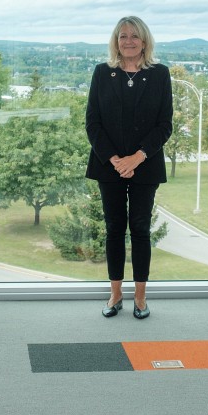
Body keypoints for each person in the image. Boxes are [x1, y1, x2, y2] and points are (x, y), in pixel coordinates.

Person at [85, 16, 173, 319]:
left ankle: (140, 297)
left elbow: (164, 125)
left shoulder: (160, 74)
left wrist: (137, 157)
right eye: (123, 36)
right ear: (116, 41)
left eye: (134, 36)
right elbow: (93, 123)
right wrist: (115, 160)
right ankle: (115, 294)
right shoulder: (102, 72)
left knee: (140, 229)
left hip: (145, 166)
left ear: (144, 41)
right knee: (113, 229)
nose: (129, 41)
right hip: (108, 165)